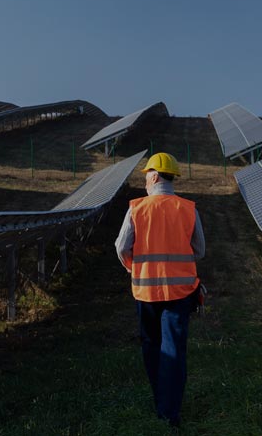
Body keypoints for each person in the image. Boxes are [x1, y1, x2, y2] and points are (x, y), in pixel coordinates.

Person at [115, 152, 205, 428]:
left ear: (154, 176)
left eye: (146, 176)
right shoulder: (188, 209)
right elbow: (199, 250)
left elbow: (121, 247)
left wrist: (133, 267)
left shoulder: (137, 208)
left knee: (152, 347)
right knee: (174, 349)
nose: (144, 181)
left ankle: (160, 401)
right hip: (181, 293)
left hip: (146, 293)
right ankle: (170, 412)